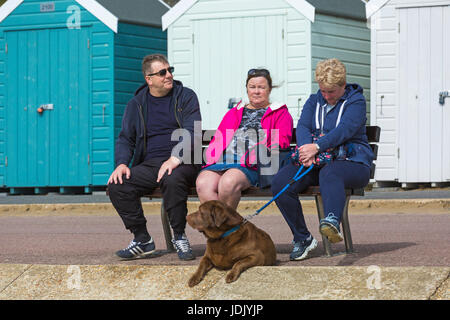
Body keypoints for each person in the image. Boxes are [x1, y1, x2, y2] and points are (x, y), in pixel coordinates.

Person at [271, 58, 374, 261]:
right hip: (315, 161)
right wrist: (305, 151)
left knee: (331, 172)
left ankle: (332, 222)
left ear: (343, 85)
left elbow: (345, 130)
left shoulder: (356, 101)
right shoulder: (314, 100)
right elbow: (303, 127)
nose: (326, 96)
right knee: (280, 183)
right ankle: (303, 238)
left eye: (332, 91)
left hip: (352, 162)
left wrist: (316, 147)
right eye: (323, 90)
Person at [107, 54, 201, 261]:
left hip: (184, 161)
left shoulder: (185, 96)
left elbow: (192, 131)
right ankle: (142, 239)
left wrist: (175, 158)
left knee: (172, 177)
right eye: (162, 73)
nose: (169, 75)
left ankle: (179, 235)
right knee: (117, 184)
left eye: (169, 70)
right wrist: (122, 164)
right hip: (150, 164)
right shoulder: (136, 104)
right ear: (149, 79)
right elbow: (125, 138)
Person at [196, 68, 293, 209]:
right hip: (224, 160)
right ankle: (221, 229)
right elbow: (218, 138)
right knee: (203, 183)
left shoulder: (280, 113)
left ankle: (225, 229)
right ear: (247, 89)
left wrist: (258, 153)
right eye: (252, 87)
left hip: (253, 164)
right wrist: (211, 157)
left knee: (228, 182)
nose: (256, 91)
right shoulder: (234, 113)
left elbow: (281, 142)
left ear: (269, 90)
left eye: (261, 87)